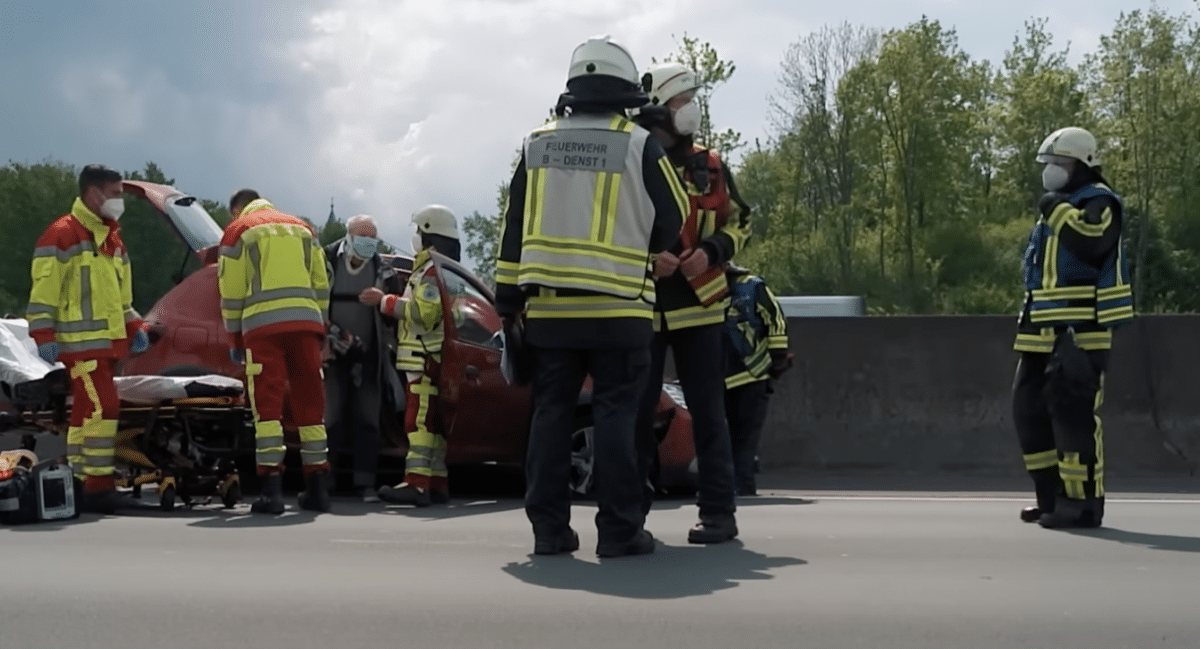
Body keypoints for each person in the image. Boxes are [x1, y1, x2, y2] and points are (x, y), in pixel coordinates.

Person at [495, 35, 686, 558]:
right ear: (624, 91)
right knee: (617, 416)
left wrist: (507, 299)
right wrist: (638, 246)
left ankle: (549, 531)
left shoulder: (537, 143)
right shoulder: (637, 143)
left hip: (551, 311)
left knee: (552, 414)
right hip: (620, 308)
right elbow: (673, 217)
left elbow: (513, 226)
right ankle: (621, 531)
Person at [630, 62, 752, 544]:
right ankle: (630, 515)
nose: (692, 110)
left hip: (701, 306)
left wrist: (711, 252)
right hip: (642, 308)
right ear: (660, 106)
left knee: (709, 411)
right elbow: (614, 227)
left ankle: (719, 513)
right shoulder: (632, 159)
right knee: (635, 414)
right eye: (683, 101)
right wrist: (645, 259)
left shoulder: (712, 164)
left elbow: (741, 221)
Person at [1012, 126, 1133, 529]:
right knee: (1029, 412)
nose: (1050, 172)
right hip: (1040, 327)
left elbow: (1090, 242)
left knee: (1073, 417)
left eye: (1058, 164)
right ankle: (1049, 497)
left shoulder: (1099, 202)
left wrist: (1055, 207)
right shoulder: (1059, 205)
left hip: (1081, 328)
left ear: (1082, 165)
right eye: (1048, 165)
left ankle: (1081, 504)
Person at [25, 164, 152, 514]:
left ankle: (78, 482)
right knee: (104, 407)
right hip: (80, 346)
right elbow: (43, 293)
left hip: (104, 346)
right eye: (115, 194)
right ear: (93, 194)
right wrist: (43, 333)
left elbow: (121, 300)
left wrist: (135, 328)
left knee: (85, 412)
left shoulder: (111, 238)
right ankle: (98, 487)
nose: (119, 201)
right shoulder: (62, 235)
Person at [219, 189, 332, 514]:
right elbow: (320, 282)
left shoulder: (239, 230)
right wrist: (319, 326)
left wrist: (235, 340)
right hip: (306, 325)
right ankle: (318, 490)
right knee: (311, 405)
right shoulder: (302, 227)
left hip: (263, 330)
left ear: (236, 209)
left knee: (267, 407)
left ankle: (271, 492)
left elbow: (231, 292)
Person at [376, 205, 462, 508]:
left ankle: (417, 484)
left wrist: (385, 301)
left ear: (428, 234)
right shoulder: (443, 271)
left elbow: (423, 315)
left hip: (422, 358)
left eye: (418, 231)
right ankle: (437, 483)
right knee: (432, 425)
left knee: (418, 423)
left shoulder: (429, 273)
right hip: (433, 357)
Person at [323, 214, 405, 503]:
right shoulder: (327, 261)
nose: (368, 243)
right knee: (330, 419)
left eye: (373, 238)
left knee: (368, 421)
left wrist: (383, 299)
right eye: (363, 237)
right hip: (332, 355)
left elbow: (396, 310)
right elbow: (314, 300)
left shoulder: (383, 270)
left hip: (370, 356)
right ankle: (326, 480)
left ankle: (365, 483)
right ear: (349, 236)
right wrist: (325, 340)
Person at [722, 264, 792, 496]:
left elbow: (775, 321)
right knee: (726, 436)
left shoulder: (753, 288)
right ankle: (732, 484)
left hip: (752, 374)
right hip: (720, 378)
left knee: (744, 436)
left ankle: (742, 485)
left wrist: (778, 356)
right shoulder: (702, 290)